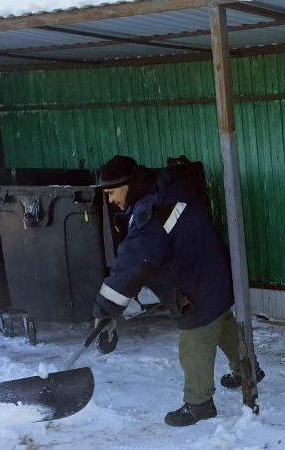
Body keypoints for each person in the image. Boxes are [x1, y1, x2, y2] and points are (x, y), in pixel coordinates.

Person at [92, 155, 264, 427]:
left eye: (111, 193)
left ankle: (199, 404)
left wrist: (105, 310)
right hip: (213, 271)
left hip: (196, 283)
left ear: (127, 185)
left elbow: (132, 263)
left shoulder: (152, 215)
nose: (110, 200)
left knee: (194, 343)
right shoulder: (165, 190)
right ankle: (248, 370)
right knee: (222, 323)